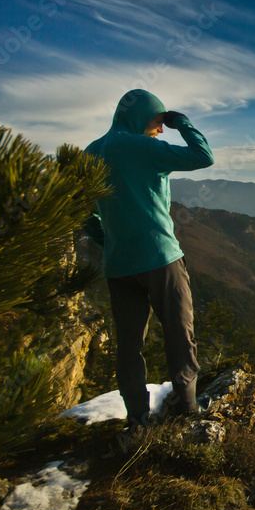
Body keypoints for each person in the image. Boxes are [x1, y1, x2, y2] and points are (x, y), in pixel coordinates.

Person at [83, 89, 214, 434]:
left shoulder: (91, 153)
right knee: (178, 333)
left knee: (128, 345)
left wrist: (107, 240)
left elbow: (80, 212)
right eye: (158, 123)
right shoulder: (144, 147)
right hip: (160, 259)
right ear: (143, 117)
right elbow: (203, 156)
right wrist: (181, 121)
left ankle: (138, 418)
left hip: (118, 266)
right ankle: (188, 407)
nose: (160, 130)